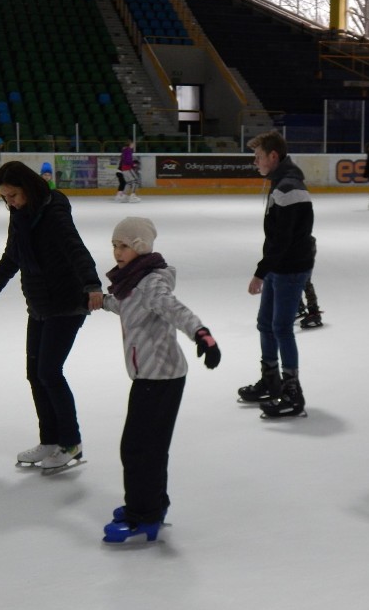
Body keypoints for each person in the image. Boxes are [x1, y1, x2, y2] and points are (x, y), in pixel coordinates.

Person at [0, 161, 104, 474]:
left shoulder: (54, 211)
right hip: (40, 303)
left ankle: (70, 442)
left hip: (68, 301)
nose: (11, 202)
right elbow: (12, 257)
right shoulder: (20, 217)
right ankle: (50, 440)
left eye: (14, 195)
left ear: (29, 187)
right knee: (35, 373)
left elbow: (76, 249)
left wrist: (93, 285)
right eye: (5, 198)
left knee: (49, 371)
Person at [100, 216, 221, 544]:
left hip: (161, 377)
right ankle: (150, 505)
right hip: (150, 376)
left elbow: (175, 310)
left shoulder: (150, 282)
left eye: (123, 245)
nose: (117, 252)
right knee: (144, 447)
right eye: (114, 245)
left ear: (140, 247)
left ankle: (145, 516)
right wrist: (100, 302)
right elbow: (127, 306)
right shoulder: (131, 281)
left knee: (140, 449)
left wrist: (202, 335)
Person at [237, 131, 315, 418]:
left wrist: (260, 272)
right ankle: (272, 380)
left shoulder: (289, 187)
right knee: (265, 324)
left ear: (273, 156)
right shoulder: (280, 183)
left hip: (290, 268)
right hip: (278, 266)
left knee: (281, 327)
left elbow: (285, 240)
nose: (255, 163)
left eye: (258, 157)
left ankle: (293, 392)